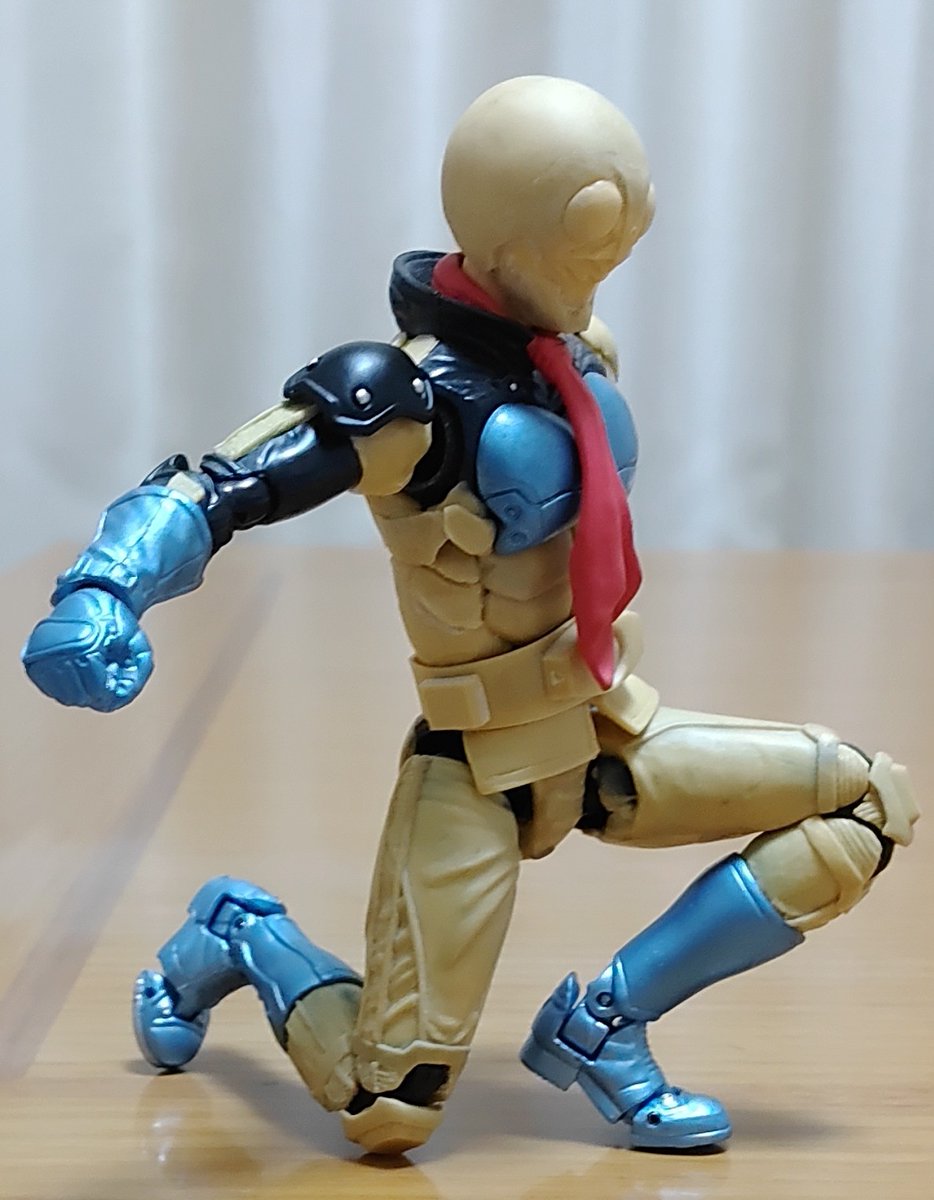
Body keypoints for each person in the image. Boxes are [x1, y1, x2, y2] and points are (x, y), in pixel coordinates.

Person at [22, 76, 917, 1155]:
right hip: (476, 765)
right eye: (588, 232)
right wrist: (105, 586)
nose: (604, 264)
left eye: (621, 233)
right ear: (502, 239)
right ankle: (242, 932)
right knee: (385, 1108)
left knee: (866, 802)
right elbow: (219, 486)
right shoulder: (400, 402)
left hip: (603, 728)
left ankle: (603, 1025)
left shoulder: (577, 355)